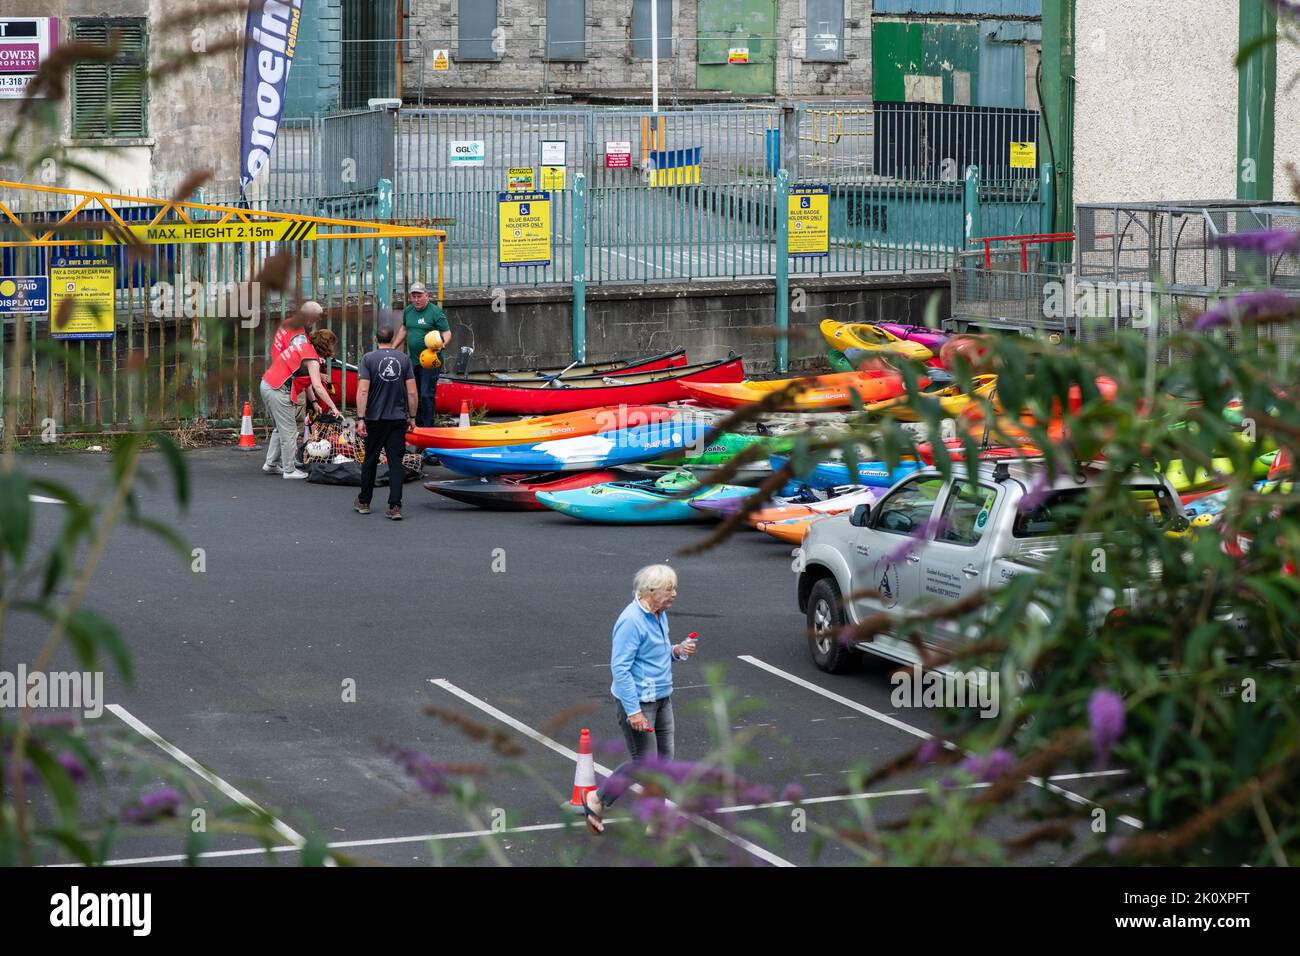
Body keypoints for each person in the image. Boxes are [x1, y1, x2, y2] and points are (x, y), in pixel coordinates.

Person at [581, 565, 696, 835]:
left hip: (662, 698)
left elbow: (656, 655)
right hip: (640, 704)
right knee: (644, 763)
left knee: (663, 760)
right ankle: (597, 799)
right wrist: (633, 711)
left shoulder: (658, 614)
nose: (675, 594)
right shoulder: (631, 621)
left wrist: (677, 650)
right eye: (670, 589)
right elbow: (620, 669)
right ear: (651, 591)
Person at [354, 321, 417, 520]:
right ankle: (395, 506)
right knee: (396, 463)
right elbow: (413, 392)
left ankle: (364, 501)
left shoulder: (368, 359)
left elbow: (363, 390)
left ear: (376, 339)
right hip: (397, 418)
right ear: (392, 340)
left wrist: (361, 417)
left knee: (370, 460)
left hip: (374, 418)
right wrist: (413, 417)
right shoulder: (404, 359)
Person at [260, 301, 323, 479]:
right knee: (291, 428)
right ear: (309, 317)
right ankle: (289, 469)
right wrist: (316, 367)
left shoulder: (287, 323)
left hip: (274, 377)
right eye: (316, 318)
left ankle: (271, 463)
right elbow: (303, 366)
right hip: (286, 383)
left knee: (280, 427)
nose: (315, 322)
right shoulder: (300, 335)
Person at [393, 282, 451, 428]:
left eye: (419, 296)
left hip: (431, 360)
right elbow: (404, 329)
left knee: (426, 394)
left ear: (426, 296)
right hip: (413, 360)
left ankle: (428, 426)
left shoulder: (435, 312)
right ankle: (416, 425)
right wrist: (392, 348)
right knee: (414, 393)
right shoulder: (408, 311)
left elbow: (447, 333)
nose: (417, 299)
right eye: (414, 296)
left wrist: (442, 344)